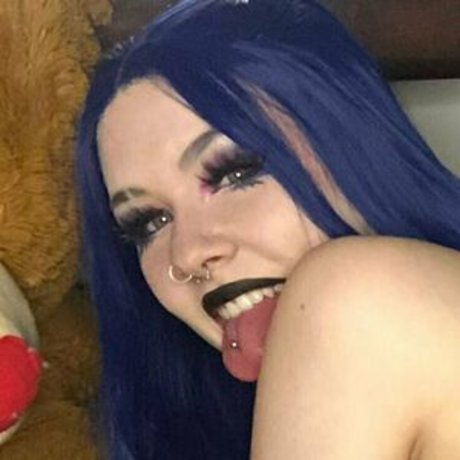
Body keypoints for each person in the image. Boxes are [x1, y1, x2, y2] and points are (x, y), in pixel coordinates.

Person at [77, 0, 460, 458]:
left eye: (234, 172)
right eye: (149, 222)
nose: (188, 253)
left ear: (357, 142)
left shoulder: (358, 295)